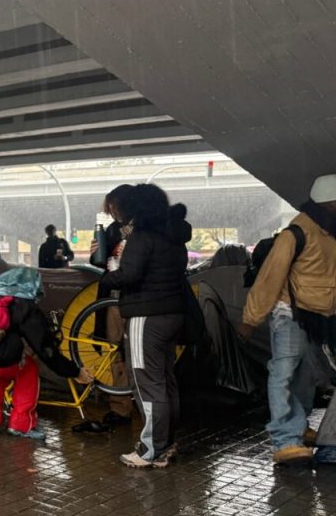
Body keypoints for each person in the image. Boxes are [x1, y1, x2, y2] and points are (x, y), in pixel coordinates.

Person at [241, 174, 336, 465]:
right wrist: (251, 318)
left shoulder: (335, 233)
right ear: (329, 204)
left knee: (305, 376)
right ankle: (285, 441)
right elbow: (269, 278)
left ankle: (297, 427)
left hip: (319, 317)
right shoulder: (295, 234)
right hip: (291, 315)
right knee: (283, 374)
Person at [101, 184, 192, 468]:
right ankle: (166, 445)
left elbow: (130, 276)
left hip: (145, 315)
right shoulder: (174, 235)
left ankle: (150, 449)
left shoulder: (142, 237)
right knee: (166, 381)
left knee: (146, 384)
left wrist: (109, 273)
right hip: (172, 313)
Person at [0, 267, 93, 441]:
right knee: (28, 368)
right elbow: (46, 351)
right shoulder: (24, 307)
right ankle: (21, 425)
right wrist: (74, 371)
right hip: (2, 362)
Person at [91, 184, 135, 426]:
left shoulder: (146, 229)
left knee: (139, 354)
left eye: (115, 207)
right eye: (110, 209)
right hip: (113, 298)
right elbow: (101, 262)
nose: (113, 213)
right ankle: (121, 407)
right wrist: (96, 253)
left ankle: (144, 405)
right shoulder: (111, 230)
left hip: (137, 299)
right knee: (114, 350)